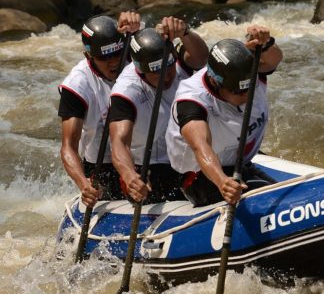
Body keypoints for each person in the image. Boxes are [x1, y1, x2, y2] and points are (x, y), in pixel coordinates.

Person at [166, 25, 283, 207]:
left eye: (249, 88)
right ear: (215, 81)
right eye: (238, 91)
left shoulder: (244, 68)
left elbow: (275, 59)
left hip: (240, 163)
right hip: (202, 176)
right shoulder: (191, 100)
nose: (246, 95)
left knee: (282, 195)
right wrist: (221, 181)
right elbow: (200, 147)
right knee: (264, 201)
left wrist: (266, 43)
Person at [108, 17, 209, 204]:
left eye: (168, 66)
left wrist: (184, 32)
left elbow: (202, 58)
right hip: (149, 167)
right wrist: (130, 176)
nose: (167, 75)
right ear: (140, 69)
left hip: (187, 157)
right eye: (156, 71)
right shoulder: (125, 92)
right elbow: (119, 142)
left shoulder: (177, 63)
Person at [58, 12, 140, 207]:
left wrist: (137, 28)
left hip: (141, 158)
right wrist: (83, 184)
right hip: (102, 166)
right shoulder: (77, 85)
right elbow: (68, 146)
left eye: (117, 54)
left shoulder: (133, 54)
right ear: (88, 56)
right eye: (104, 57)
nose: (113, 62)